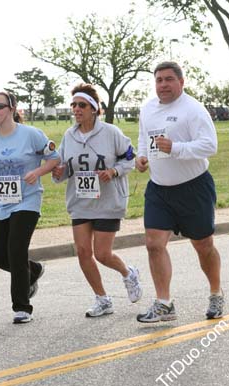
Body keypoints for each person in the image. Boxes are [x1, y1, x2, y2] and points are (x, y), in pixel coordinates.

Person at [135, 61, 224, 323]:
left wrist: (175, 148)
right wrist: (141, 157)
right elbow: (144, 139)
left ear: (181, 82)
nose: (163, 85)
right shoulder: (147, 109)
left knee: (203, 245)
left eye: (169, 79)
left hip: (193, 187)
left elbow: (210, 146)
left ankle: (216, 293)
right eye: (159, 80)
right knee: (153, 244)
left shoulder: (193, 110)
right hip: (159, 189)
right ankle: (164, 303)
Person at [52, 83, 142, 317]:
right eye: (73, 105)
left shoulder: (111, 133)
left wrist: (113, 172)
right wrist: (59, 173)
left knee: (102, 254)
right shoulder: (68, 135)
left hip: (107, 201)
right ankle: (102, 299)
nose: (76, 109)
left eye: (81, 105)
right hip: (81, 201)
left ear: (94, 108)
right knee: (83, 252)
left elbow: (129, 159)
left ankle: (128, 273)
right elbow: (65, 167)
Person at [0, 91, 60, 324]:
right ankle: (34, 271)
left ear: (11, 108)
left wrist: (38, 171)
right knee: (0, 257)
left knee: (16, 251)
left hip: (27, 200)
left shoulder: (31, 134)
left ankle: (22, 307)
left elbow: (54, 157)